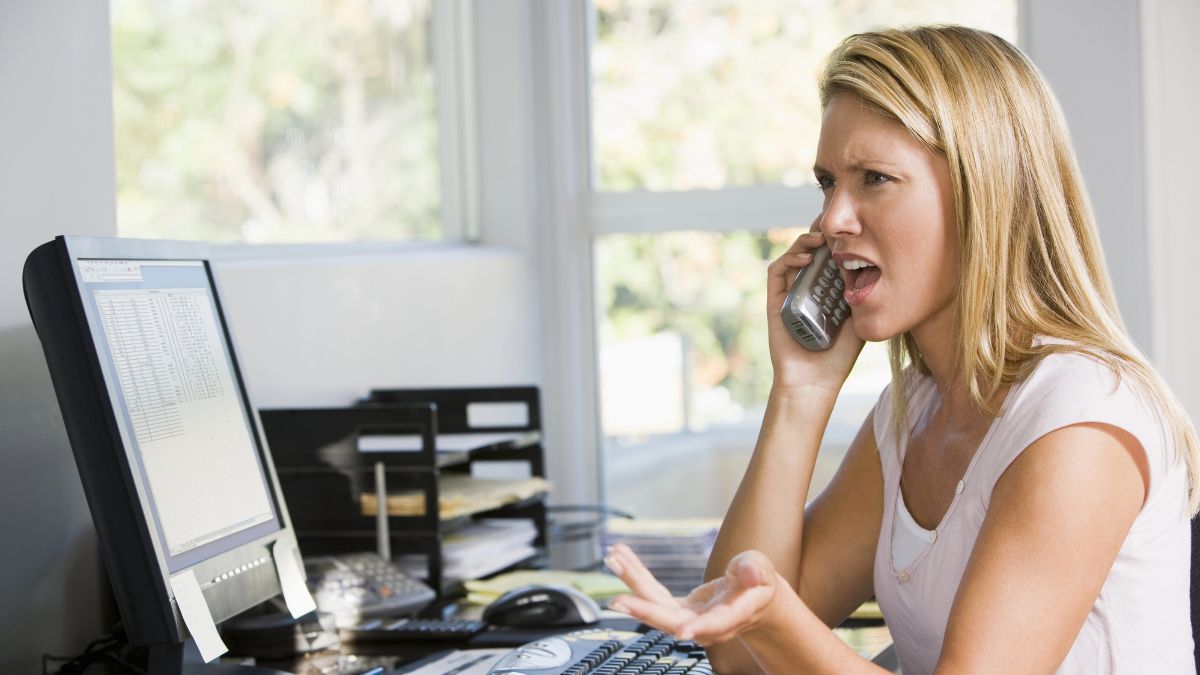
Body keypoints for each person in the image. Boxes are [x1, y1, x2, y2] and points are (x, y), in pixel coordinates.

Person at [602, 25, 1199, 674]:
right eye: (828, 183)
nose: (833, 220)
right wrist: (799, 393)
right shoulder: (911, 412)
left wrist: (775, 617)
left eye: (875, 179)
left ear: (983, 192)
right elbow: (738, 655)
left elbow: (759, 628)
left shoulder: (1081, 422)